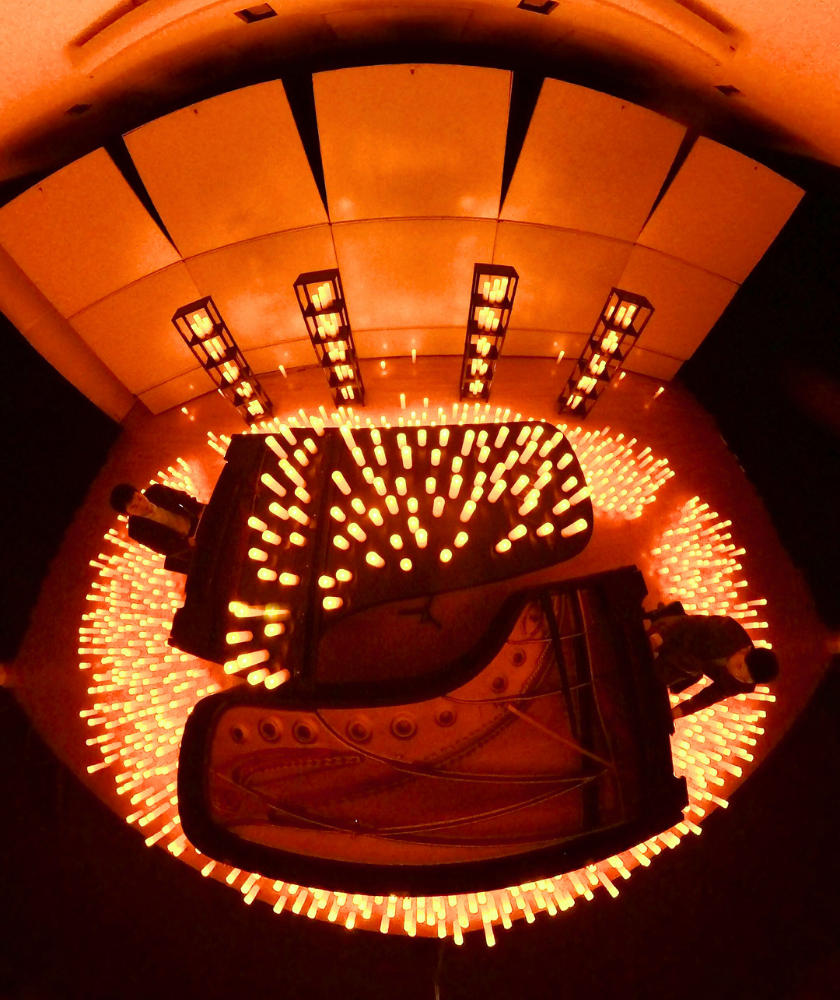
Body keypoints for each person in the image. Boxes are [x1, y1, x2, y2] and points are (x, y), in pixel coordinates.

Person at [645, 603, 779, 719]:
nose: (735, 674)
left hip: (687, 666)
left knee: (648, 682)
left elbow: (707, 698)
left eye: (743, 679)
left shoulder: (742, 685)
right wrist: (656, 639)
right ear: (745, 650)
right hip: (678, 635)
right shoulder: (727, 629)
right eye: (739, 666)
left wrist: (674, 714)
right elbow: (687, 624)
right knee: (643, 647)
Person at [109, 482, 205, 573]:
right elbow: (164, 547)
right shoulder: (136, 530)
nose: (142, 505)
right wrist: (187, 543)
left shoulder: (156, 491)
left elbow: (183, 498)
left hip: (196, 521)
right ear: (128, 513)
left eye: (139, 498)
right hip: (188, 546)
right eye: (134, 507)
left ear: (139, 492)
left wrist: (199, 510)